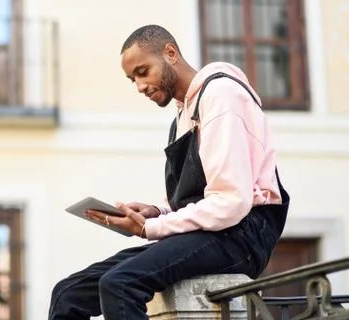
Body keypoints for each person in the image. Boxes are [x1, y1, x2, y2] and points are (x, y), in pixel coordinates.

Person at [48, 24, 289, 320]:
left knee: (120, 284)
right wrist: (155, 211)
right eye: (132, 79)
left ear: (170, 53)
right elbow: (194, 197)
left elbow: (231, 202)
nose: (139, 86)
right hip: (206, 232)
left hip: (242, 235)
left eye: (142, 71)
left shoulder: (221, 95)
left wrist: (148, 229)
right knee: (67, 293)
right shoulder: (182, 114)